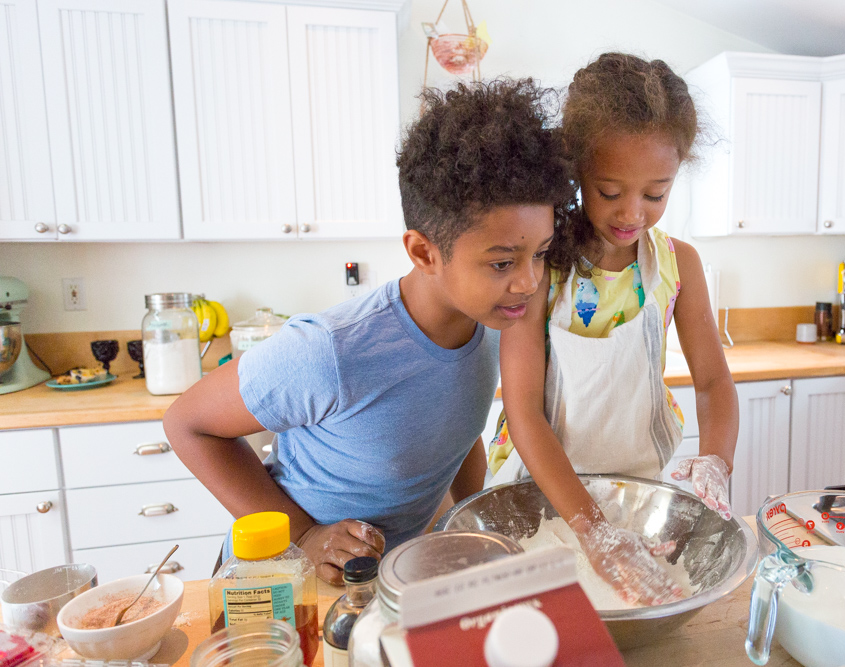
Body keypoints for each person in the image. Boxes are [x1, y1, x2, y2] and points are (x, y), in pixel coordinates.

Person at [163, 78, 574, 584]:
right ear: (424, 252)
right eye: (503, 262)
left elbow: (455, 433)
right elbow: (186, 424)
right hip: (281, 584)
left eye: (539, 253)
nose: (529, 282)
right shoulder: (330, 351)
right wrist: (308, 535)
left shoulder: (492, 325)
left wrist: (476, 526)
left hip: (383, 581)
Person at [487, 54, 739, 605]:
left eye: (655, 194)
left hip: (637, 495)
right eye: (609, 191)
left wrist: (716, 462)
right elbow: (525, 412)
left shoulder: (678, 266)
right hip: (539, 499)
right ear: (577, 171)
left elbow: (714, 385)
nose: (633, 213)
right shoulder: (543, 265)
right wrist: (593, 533)